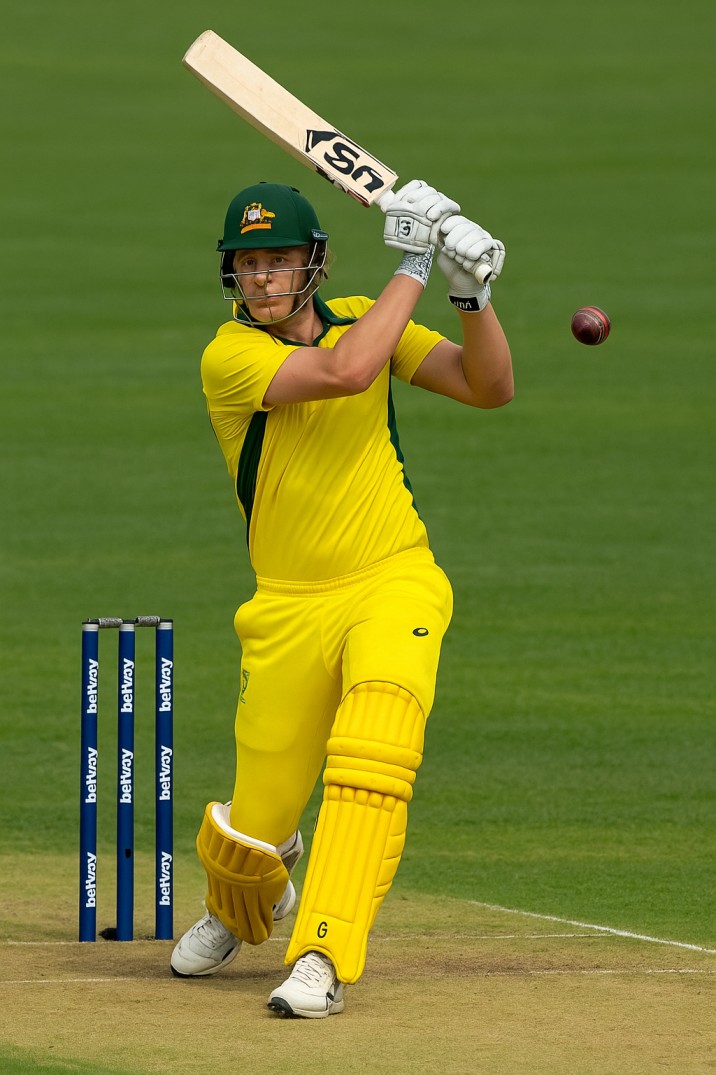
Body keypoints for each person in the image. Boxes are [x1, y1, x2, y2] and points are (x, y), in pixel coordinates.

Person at [170, 179, 513, 1017]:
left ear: (313, 262)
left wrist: (471, 295)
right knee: (247, 841)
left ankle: (322, 952)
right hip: (287, 608)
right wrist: (416, 258)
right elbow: (346, 369)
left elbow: (487, 385)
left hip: (392, 577)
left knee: (372, 755)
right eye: (248, 263)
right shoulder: (231, 356)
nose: (261, 278)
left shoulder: (369, 311)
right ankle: (250, 889)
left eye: (279, 259)